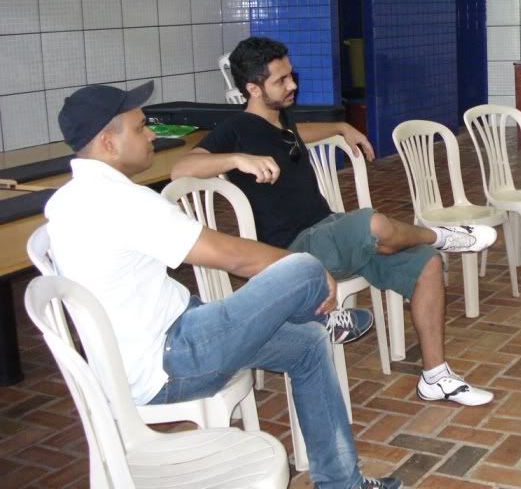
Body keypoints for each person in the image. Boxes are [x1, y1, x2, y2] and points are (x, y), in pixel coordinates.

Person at [44, 81, 400, 489]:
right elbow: (231, 255)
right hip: (170, 359)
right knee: (300, 267)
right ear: (108, 142)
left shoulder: (66, 199)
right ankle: (322, 317)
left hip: (154, 344)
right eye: (141, 128)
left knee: (307, 346)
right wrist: (310, 269)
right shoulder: (121, 202)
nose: (151, 135)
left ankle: (341, 482)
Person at [171, 36, 497, 406]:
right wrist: (236, 160)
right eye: (281, 81)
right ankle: (441, 235)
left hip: (328, 231)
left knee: (426, 264)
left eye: (291, 76)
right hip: (293, 250)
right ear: (253, 89)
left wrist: (341, 127)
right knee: (374, 224)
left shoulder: (281, 120)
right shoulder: (236, 129)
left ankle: (436, 377)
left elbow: (295, 136)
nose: (292, 85)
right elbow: (183, 166)